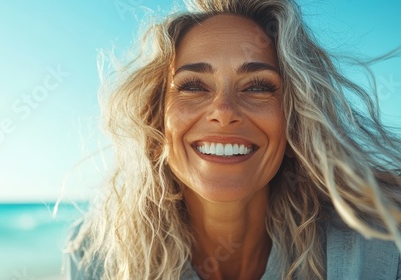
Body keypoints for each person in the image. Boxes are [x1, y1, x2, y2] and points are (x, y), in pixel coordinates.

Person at [63, 0, 401, 279]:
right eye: (193, 86)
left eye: (258, 86)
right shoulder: (97, 257)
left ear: (294, 117)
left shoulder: (379, 247)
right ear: (157, 119)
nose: (223, 111)